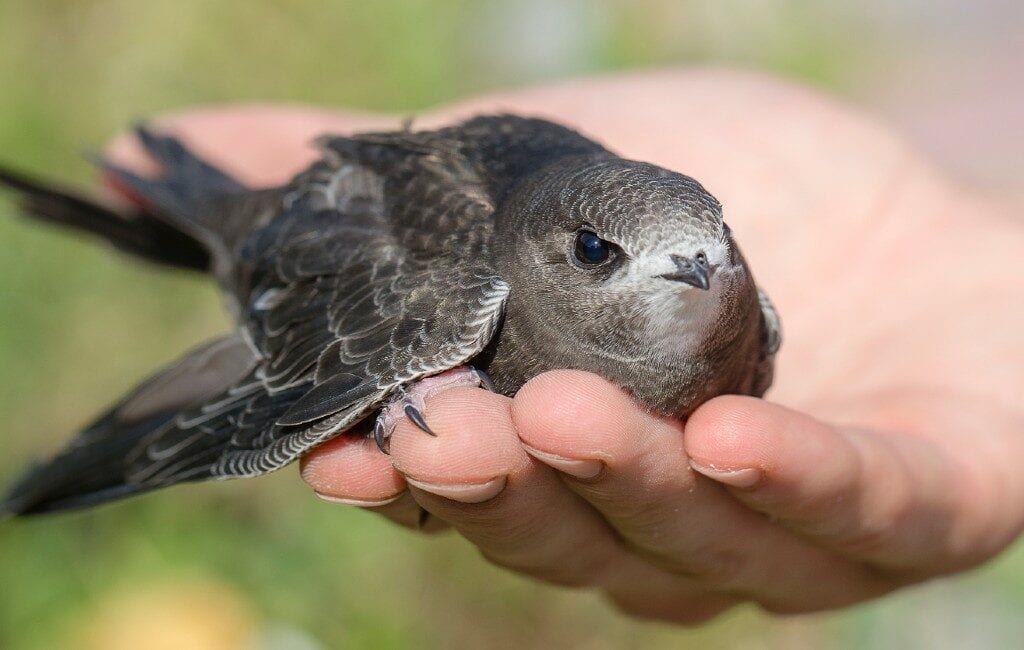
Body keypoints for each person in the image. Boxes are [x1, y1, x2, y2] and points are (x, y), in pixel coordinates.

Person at [108, 69, 1024, 624]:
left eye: (715, 245)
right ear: (557, 256)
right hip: (344, 222)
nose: (708, 277)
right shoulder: (451, 289)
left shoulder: (736, 301)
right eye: (600, 256)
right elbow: (284, 382)